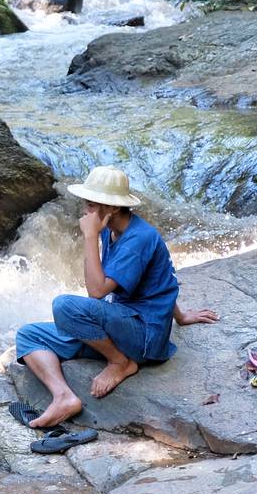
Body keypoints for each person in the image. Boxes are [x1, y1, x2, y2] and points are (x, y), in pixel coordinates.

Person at [15, 165, 218, 429]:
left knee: (64, 306)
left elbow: (96, 291)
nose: (85, 211)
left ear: (111, 208)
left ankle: (120, 363)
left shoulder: (138, 239)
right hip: (122, 327)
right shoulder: (111, 230)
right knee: (28, 335)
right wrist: (180, 315)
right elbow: (159, 279)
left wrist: (88, 236)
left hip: (143, 338)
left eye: (90, 204)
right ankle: (64, 396)